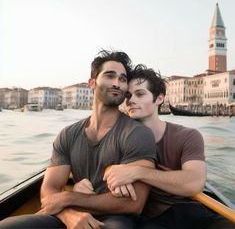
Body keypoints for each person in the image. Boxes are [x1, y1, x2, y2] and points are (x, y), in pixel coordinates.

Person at [0, 51, 157, 229]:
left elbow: (132, 203)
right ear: (92, 83)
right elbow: (49, 189)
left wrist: (68, 198)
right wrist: (68, 214)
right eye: (110, 76)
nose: (116, 83)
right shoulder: (68, 134)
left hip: (115, 218)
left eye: (122, 79)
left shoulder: (137, 134)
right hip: (69, 213)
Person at [104, 64, 235, 229]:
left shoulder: (187, 136)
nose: (131, 100)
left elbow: (194, 182)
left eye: (140, 94)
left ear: (159, 98)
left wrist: (137, 172)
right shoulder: (119, 137)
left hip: (191, 211)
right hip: (153, 219)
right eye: (128, 95)